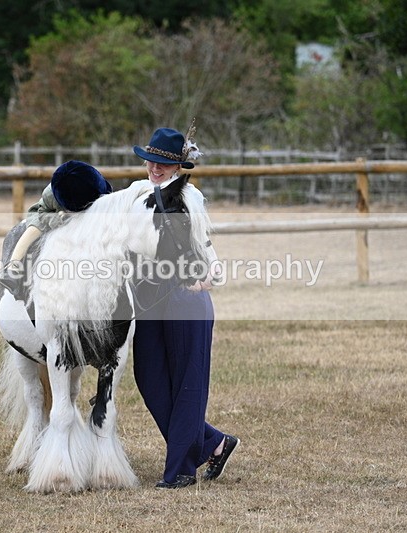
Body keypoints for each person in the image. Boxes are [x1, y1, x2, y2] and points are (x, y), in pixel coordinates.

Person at [131, 124, 238, 489]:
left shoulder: (190, 198)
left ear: (178, 165)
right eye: (150, 161)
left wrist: (211, 273)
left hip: (184, 296)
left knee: (187, 385)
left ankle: (180, 471)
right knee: (149, 378)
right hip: (148, 298)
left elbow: (203, 244)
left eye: (162, 163)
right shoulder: (137, 193)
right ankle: (215, 443)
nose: (155, 168)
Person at [0, 160, 112, 295]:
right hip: (49, 213)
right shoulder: (50, 196)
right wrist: (60, 219)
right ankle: (12, 269)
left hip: (84, 210)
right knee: (33, 229)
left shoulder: (100, 191)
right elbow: (43, 215)